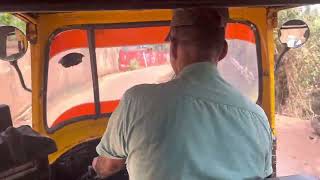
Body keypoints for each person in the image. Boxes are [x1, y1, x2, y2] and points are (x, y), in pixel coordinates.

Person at [92, 7, 273, 180]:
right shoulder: (257, 118)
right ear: (223, 51)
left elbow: (110, 166)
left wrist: (96, 166)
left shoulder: (137, 102)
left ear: (173, 48)